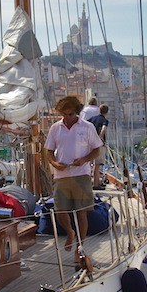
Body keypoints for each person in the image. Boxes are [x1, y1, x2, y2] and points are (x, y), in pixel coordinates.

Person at [43, 94, 104, 265]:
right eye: (64, 114)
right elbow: (48, 150)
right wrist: (54, 163)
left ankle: (80, 248)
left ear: (76, 112)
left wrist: (84, 160)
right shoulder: (56, 128)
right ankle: (70, 232)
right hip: (61, 175)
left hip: (81, 174)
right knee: (61, 210)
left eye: (70, 114)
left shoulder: (87, 127)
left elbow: (96, 150)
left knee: (81, 213)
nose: (67, 117)